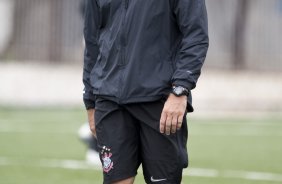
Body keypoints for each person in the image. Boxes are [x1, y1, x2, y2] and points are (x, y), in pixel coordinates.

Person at [83, 0, 209, 183]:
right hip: (109, 98)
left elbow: (196, 36)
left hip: (160, 100)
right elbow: (92, 42)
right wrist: (90, 100)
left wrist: (180, 90)